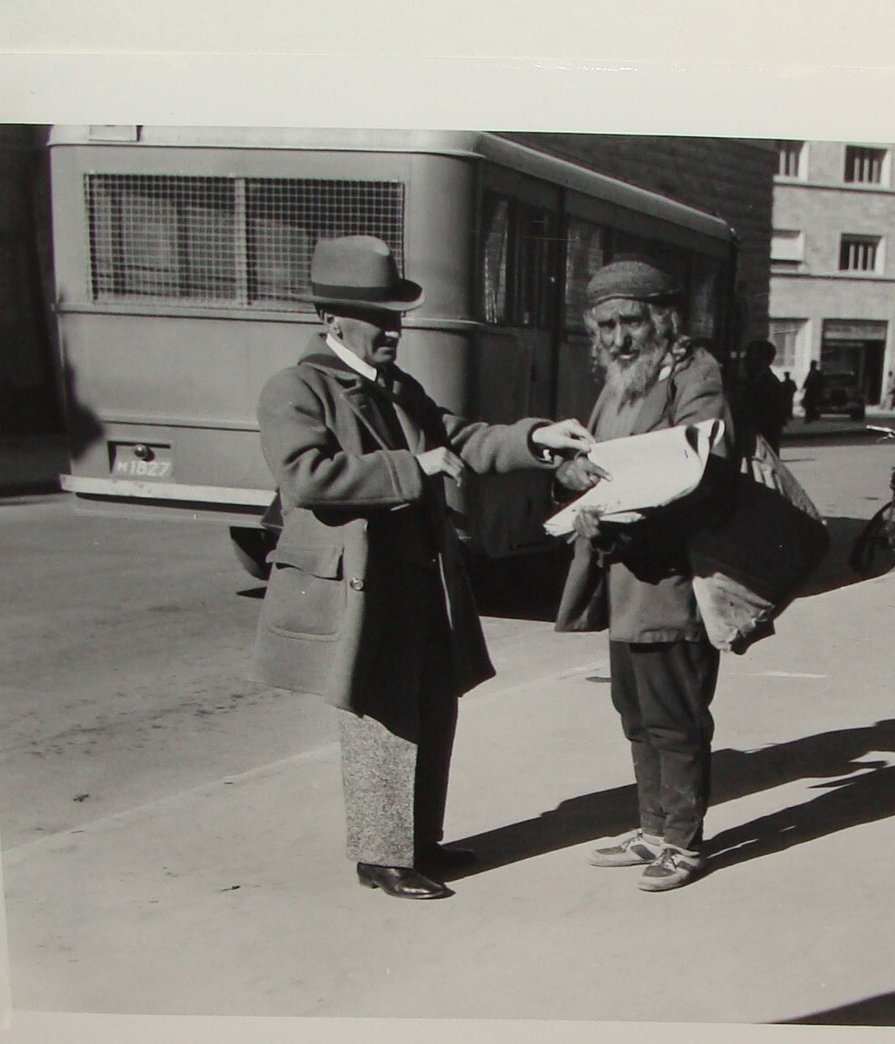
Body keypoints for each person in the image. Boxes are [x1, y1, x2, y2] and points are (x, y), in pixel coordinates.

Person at [252, 236, 594, 900]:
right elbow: (307, 476)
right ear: (333, 321)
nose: (393, 331)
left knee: (434, 706)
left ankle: (419, 842)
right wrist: (413, 468)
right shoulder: (295, 389)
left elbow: (460, 437)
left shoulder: (397, 390)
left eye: (397, 318)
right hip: (362, 584)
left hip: (422, 577)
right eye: (379, 319)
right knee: (382, 716)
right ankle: (380, 857)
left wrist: (534, 438)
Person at [554, 257, 734, 892]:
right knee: (633, 710)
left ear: (663, 318)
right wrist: (571, 474)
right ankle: (654, 828)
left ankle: (684, 843)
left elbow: (703, 466)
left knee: (674, 716)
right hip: (623, 576)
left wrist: (626, 488)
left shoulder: (695, 373)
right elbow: (588, 455)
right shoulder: (619, 381)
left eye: (631, 321)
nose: (619, 337)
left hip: (672, 578)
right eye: (606, 326)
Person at [736, 339, 789, 452]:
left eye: (751, 356)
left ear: (765, 360)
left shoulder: (768, 384)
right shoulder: (753, 380)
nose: (745, 359)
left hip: (759, 447)